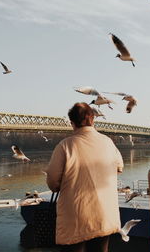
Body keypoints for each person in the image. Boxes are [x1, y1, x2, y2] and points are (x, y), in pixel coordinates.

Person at [46, 102, 124, 252]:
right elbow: (119, 167)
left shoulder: (65, 146)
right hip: (104, 214)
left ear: (72, 123)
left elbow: (53, 182)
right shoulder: (108, 142)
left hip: (76, 216)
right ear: (93, 120)